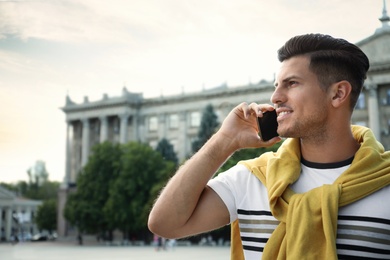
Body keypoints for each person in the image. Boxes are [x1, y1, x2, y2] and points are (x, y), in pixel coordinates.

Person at [148, 34, 390, 259]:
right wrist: (225, 141)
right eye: (276, 85)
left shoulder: (384, 183)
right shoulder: (253, 178)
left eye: (291, 83)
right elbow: (165, 223)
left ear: (338, 94)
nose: (275, 97)